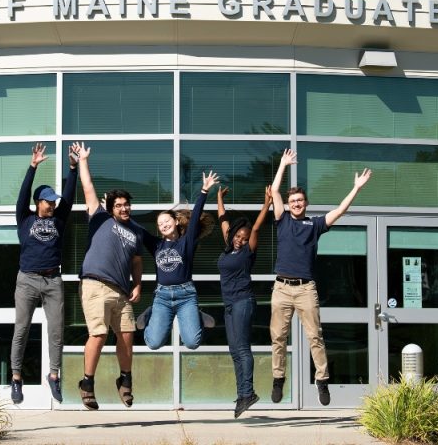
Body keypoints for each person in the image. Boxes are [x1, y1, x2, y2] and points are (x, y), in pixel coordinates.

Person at [268, 148, 371, 406]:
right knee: (278, 336)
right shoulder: (282, 220)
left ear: (306, 203)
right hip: (281, 288)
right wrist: (283, 164)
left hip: (305, 289)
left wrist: (356, 188)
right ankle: (278, 379)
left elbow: (339, 211)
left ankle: (322, 381)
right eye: (293, 201)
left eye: (300, 200)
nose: (296, 204)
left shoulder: (314, 225)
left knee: (315, 336)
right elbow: (276, 191)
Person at [75, 142, 150, 410]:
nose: (124, 208)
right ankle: (87, 382)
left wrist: (138, 284)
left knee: (127, 334)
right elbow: (88, 188)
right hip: (95, 285)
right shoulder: (100, 218)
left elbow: (137, 261)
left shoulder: (136, 232)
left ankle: (125, 379)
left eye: (127, 205)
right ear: (110, 207)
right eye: (119, 205)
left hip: (121, 291)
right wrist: (83, 160)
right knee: (98, 335)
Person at [10, 142, 78, 405]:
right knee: (22, 329)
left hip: (53, 279)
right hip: (27, 279)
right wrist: (33, 166)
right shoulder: (25, 218)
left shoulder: (58, 219)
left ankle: (53, 375)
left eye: (53, 202)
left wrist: (72, 168)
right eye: (48, 201)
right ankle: (16, 378)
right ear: (39, 202)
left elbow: (70, 197)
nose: (52, 205)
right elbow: (22, 194)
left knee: (56, 330)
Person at [136, 172, 219, 350]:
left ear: (175, 222)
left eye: (166, 221)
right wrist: (111, 212)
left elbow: (195, 217)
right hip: (162, 297)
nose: (163, 225)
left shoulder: (186, 243)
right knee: (153, 343)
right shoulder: (156, 245)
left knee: (192, 342)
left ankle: (196, 315)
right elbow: (138, 229)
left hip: (186, 296)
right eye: (160, 224)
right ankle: (151, 313)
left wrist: (204, 190)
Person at [217, 184, 272, 418]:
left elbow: (257, 227)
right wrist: (218, 198)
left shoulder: (247, 251)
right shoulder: (229, 246)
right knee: (233, 350)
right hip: (229, 304)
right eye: (239, 235)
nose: (241, 239)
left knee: (242, 348)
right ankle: (243, 395)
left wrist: (267, 204)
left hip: (243, 301)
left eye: (244, 237)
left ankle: (248, 392)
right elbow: (222, 220)